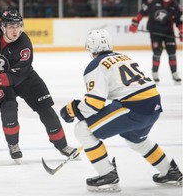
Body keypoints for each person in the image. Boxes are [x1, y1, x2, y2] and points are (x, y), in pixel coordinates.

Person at [60, 29, 182, 192]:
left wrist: (71, 110)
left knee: (82, 130)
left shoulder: (95, 65)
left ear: (90, 47)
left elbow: (94, 103)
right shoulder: (124, 57)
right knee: (136, 139)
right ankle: (170, 171)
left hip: (134, 108)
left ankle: (108, 175)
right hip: (154, 105)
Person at [0, 9, 78, 163]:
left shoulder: (24, 45)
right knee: (8, 109)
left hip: (25, 78)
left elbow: (17, 75)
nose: (15, 30)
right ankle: (13, 145)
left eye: (18, 26)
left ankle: (62, 146)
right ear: (2, 27)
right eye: (11, 26)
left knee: (47, 111)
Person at [129, 0, 182, 84]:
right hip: (155, 33)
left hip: (169, 33)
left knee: (172, 53)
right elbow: (141, 12)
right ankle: (155, 73)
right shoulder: (153, 1)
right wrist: (135, 24)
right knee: (157, 53)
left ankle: (175, 73)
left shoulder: (175, 5)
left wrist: (181, 31)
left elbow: (179, 21)